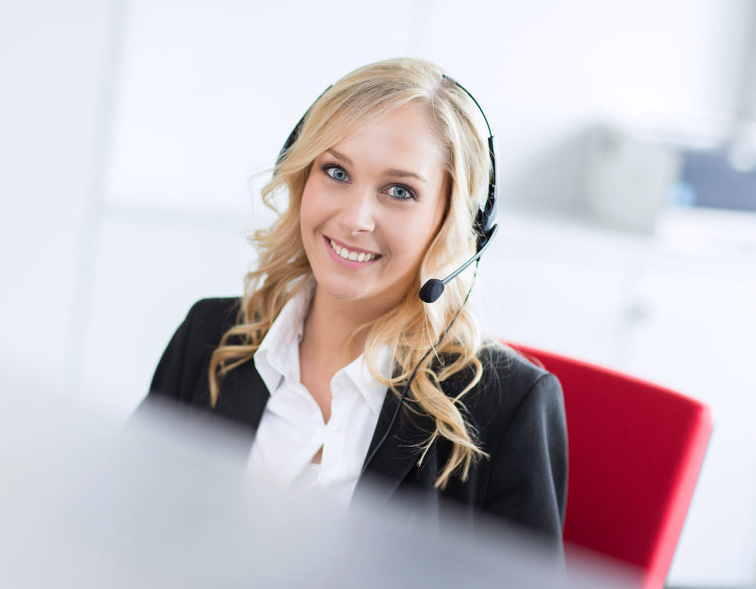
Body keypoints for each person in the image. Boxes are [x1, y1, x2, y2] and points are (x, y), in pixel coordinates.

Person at [143, 57, 567, 552]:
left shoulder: (505, 407)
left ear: (451, 220)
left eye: (400, 191)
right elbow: (117, 528)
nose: (355, 218)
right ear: (303, 178)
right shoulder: (209, 336)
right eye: (337, 172)